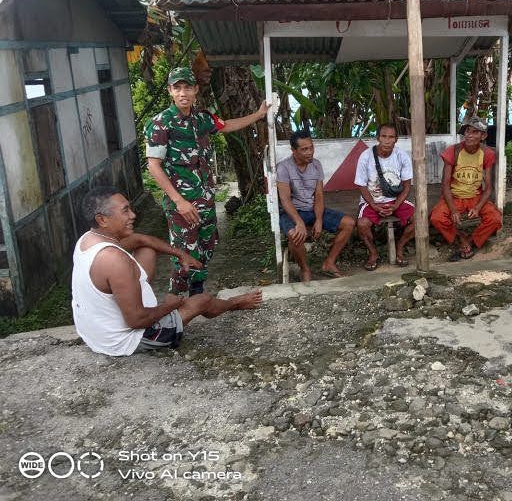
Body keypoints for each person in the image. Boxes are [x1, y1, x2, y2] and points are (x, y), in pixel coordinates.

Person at [71, 187, 262, 357]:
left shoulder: (89, 239)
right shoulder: (113, 259)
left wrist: (181, 254)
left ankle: (143, 300)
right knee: (201, 300)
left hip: (95, 334)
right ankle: (234, 303)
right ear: (102, 219)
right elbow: (137, 321)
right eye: (125, 211)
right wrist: (173, 304)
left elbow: (141, 240)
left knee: (146, 250)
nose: (133, 215)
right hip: (127, 340)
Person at [145, 66, 270, 296]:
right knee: (183, 254)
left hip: (205, 200)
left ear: (195, 90)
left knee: (206, 246)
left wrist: (259, 115)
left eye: (187, 87)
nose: (183, 93)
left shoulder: (201, 119)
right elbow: (153, 166)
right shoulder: (161, 123)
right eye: (177, 87)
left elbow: (227, 125)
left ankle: (197, 295)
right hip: (181, 205)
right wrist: (179, 202)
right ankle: (176, 304)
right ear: (170, 92)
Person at [277, 130, 355, 281]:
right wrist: (299, 222)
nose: (309, 152)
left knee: (349, 223)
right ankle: (305, 269)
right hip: (291, 211)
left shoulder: (316, 165)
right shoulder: (283, 167)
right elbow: (285, 200)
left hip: (312, 209)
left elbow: (319, 195)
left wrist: (319, 219)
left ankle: (329, 263)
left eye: (311, 147)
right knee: (295, 234)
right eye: (304, 149)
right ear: (293, 151)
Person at [429, 116, 502, 260]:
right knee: (437, 218)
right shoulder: (453, 151)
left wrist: (478, 207)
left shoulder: (487, 154)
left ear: (483, 136)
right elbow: (445, 185)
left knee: (495, 218)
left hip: (475, 197)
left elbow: (488, 188)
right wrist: (453, 209)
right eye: (468, 131)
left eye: (475, 132)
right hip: (454, 197)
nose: (469, 135)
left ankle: (470, 242)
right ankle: (460, 239)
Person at [354, 124, 415, 270]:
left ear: (396, 140)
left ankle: (400, 248)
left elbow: (407, 185)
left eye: (391, 137)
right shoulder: (366, 156)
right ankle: (373, 253)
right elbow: (361, 185)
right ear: (378, 138)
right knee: (362, 224)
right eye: (384, 136)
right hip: (372, 200)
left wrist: (395, 205)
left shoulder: (402, 156)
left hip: (395, 199)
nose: (387, 141)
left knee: (420, 219)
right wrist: (374, 205)